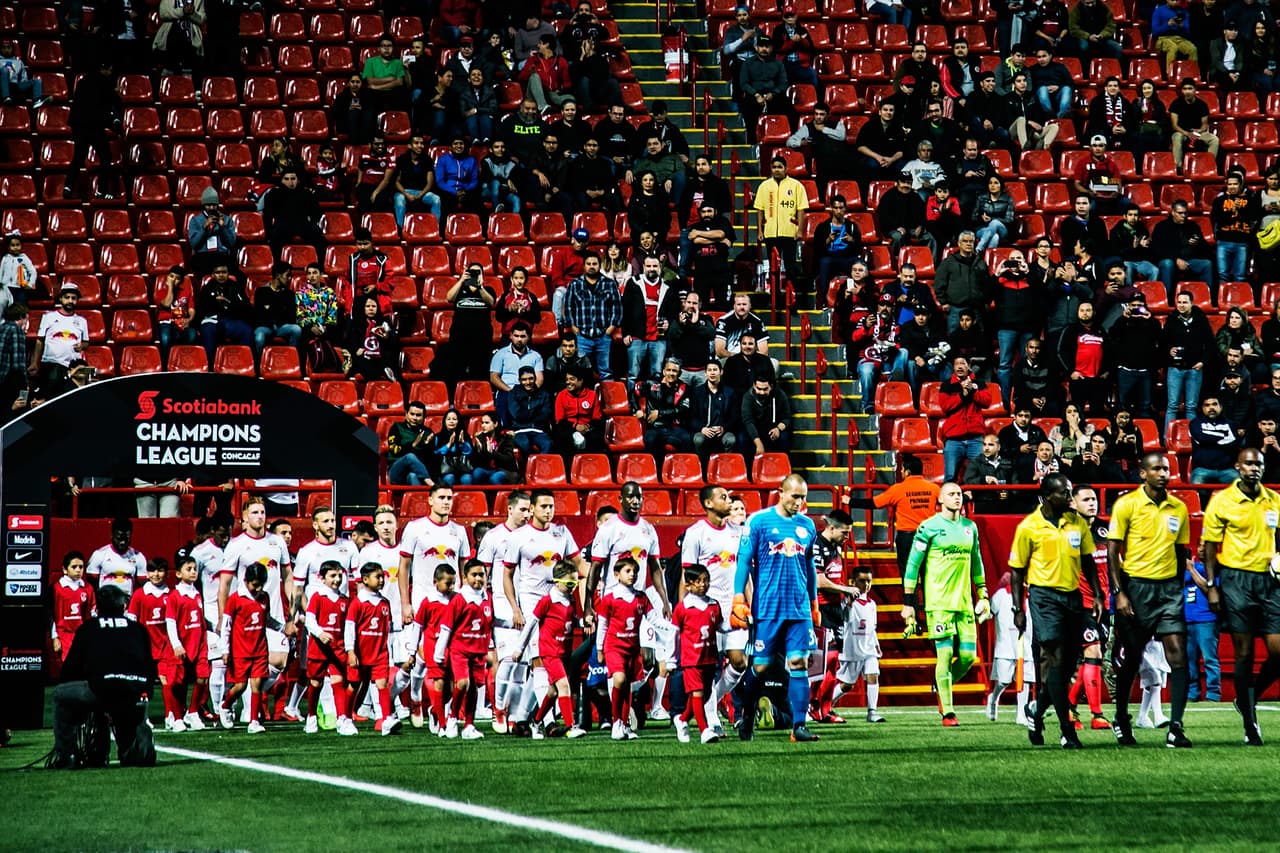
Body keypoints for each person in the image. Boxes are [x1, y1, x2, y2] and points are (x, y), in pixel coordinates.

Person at [1008, 473, 1103, 748]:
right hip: (1044, 597)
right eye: (1065, 493)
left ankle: (1036, 712)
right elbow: (1017, 571)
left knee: (1065, 667)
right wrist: (1018, 607)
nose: (1070, 498)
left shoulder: (1077, 524)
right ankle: (1067, 730)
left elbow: (1087, 561)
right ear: (1049, 496)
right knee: (1057, 658)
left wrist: (1097, 595)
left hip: (1072, 597)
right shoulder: (1029, 527)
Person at [1106, 453, 1194, 748]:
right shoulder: (1126, 504)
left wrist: (1178, 587)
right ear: (1142, 473)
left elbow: (1182, 552)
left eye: (1166, 469)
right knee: (1131, 657)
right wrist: (1119, 592)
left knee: (1178, 654)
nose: (1163, 473)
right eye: (1156, 468)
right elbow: (1112, 551)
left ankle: (1177, 727)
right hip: (1137, 589)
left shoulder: (1179, 508)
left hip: (1168, 591)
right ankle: (1120, 717)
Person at [729, 474, 821, 743]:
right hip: (767, 608)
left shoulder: (808, 526)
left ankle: (799, 726)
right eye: (795, 496)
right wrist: (738, 599)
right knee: (759, 667)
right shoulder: (758, 521)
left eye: (803, 497)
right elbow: (744, 562)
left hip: (798, 608)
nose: (799, 502)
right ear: (780, 492)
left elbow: (810, 567)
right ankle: (747, 717)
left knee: (798, 662)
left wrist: (813, 602)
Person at [1201, 448, 1279, 745]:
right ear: (1237, 467)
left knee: (1278, 651)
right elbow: (1210, 544)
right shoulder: (1222, 500)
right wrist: (1212, 585)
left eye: (1258, 464)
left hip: (1270, 581)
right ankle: (1250, 724)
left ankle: (1249, 698)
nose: (1254, 468)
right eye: (1248, 463)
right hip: (1236, 581)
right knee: (1244, 654)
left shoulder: (1274, 500)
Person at [901, 482, 988, 727]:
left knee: (969, 657)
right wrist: (909, 603)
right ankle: (948, 711)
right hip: (938, 602)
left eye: (959, 494)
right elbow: (912, 565)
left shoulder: (970, 527)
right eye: (951, 494)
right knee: (945, 653)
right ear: (940, 500)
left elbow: (977, 562)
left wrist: (983, 594)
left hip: (964, 603)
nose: (957, 498)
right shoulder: (928, 527)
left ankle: (941, 685)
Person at [502, 490, 585, 734]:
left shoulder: (562, 533)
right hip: (532, 600)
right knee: (539, 659)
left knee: (550, 664)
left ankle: (524, 718)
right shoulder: (519, 537)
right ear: (532, 509)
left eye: (551, 506)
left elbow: (579, 564)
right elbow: (507, 575)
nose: (548, 511)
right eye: (543, 506)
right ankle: (548, 721)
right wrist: (516, 607)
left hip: (560, 598)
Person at [49, 585, 155, 768]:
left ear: (97, 608)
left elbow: (70, 669)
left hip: (102, 690)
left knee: (60, 694)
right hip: (135, 691)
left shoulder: (88, 628)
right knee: (126, 706)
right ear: (123, 607)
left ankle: (68, 755)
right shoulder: (138, 629)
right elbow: (148, 665)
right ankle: (136, 745)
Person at [680, 485, 747, 735]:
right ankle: (711, 718)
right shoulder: (696, 533)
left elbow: (744, 572)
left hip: (734, 606)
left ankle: (713, 701)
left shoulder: (738, 533)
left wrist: (749, 602)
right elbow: (687, 574)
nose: (728, 500)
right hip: (707, 606)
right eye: (723, 497)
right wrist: (684, 608)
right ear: (708, 504)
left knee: (739, 661)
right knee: (710, 667)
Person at [217, 497, 294, 674]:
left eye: (262, 512)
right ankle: (237, 699)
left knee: (279, 662)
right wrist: (223, 616)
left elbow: (288, 577)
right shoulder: (236, 545)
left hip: (274, 613)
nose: (260, 516)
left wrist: (292, 610)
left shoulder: (278, 542)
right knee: (250, 667)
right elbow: (225, 585)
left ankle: (246, 696)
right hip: (246, 616)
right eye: (254, 513)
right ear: (244, 518)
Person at [516, 560, 586, 738]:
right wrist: (520, 648)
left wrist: (583, 622)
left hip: (564, 651)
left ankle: (535, 721)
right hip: (549, 651)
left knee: (553, 691)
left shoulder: (570, 599)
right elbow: (531, 623)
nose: (573, 588)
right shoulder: (547, 600)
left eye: (575, 584)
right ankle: (571, 726)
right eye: (569, 584)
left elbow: (570, 620)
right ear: (556, 581)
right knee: (564, 685)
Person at [435, 560, 492, 740]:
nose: (478, 579)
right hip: (460, 650)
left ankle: (469, 725)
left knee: (474, 688)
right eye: (474, 575)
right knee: (462, 683)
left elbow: (492, 622)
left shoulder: (487, 597)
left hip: (479, 650)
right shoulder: (459, 599)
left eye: (481, 575)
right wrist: (439, 652)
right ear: (465, 577)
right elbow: (447, 627)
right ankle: (452, 718)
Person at [595, 556, 651, 740]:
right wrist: (600, 649)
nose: (632, 574)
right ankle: (616, 722)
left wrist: (673, 628)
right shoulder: (610, 598)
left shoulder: (641, 597)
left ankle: (624, 724)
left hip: (633, 648)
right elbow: (602, 625)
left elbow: (653, 619)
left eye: (635, 571)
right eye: (628, 571)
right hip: (614, 647)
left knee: (627, 686)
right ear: (617, 575)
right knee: (619, 679)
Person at [670, 564, 724, 744]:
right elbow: (674, 635)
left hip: (709, 657)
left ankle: (682, 719)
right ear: (688, 585)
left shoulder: (713, 605)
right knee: (698, 693)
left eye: (706, 580)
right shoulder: (682, 608)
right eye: (698, 581)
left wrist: (739, 624)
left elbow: (721, 626)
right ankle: (704, 730)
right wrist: (671, 659)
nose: (703, 585)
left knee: (705, 694)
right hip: (691, 660)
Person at [344, 562, 401, 736]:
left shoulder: (385, 603)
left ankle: (385, 719)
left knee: (382, 683)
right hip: (361, 653)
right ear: (365, 579)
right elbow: (350, 627)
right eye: (378, 577)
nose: (382, 580)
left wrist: (389, 649)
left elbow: (388, 629)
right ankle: (345, 717)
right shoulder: (358, 602)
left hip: (380, 653)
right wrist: (350, 651)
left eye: (382, 576)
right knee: (354, 685)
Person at [217, 562, 274, 733]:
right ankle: (225, 705)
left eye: (261, 585)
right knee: (240, 686)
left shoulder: (264, 598)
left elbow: (267, 620)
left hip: (260, 649)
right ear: (246, 581)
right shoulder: (235, 599)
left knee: (256, 684)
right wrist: (225, 650)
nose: (258, 589)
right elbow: (226, 626)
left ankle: (254, 721)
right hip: (240, 650)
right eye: (255, 585)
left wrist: (282, 628)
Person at [753, 157, 809, 307]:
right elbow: (759, 210)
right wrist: (760, 230)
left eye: (779, 167)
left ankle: (793, 299)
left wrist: (800, 230)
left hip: (789, 232)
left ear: (786, 169)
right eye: (774, 167)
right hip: (770, 233)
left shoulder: (796, 186)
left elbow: (801, 209)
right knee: (773, 268)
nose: (776, 170)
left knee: (790, 267)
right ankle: (775, 299)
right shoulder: (764, 186)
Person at [63, 60, 122, 200]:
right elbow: (116, 103)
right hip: (94, 126)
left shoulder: (83, 81)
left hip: (78, 125)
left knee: (78, 158)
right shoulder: (105, 83)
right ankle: (102, 191)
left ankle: (68, 187)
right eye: (110, 70)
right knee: (106, 157)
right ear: (106, 70)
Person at [410, 562, 458, 733]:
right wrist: (412, 651)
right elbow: (418, 626)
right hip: (433, 647)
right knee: (439, 683)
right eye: (448, 583)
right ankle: (443, 724)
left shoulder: (457, 599)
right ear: (435, 582)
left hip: (452, 648)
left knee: (451, 689)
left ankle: (435, 711)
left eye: (453, 582)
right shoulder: (428, 601)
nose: (451, 586)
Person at [621, 257, 680, 385]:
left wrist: (668, 322)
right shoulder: (633, 283)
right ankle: (632, 404)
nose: (652, 269)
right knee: (633, 375)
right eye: (649, 266)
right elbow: (624, 310)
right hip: (636, 337)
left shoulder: (667, 286)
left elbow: (675, 311)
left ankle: (654, 404)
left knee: (657, 375)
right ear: (643, 267)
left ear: (659, 267)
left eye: (654, 266)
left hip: (659, 339)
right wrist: (625, 333)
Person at [564, 253, 622, 381]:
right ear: (584, 266)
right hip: (582, 336)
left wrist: (610, 329)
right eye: (589, 264)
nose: (592, 267)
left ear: (599, 266)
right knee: (581, 372)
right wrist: (573, 328)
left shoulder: (609, 284)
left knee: (606, 372)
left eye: (594, 264)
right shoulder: (575, 284)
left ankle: (608, 400)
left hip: (604, 336)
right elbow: (568, 308)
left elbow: (617, 308)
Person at [29, 282, 89, 397]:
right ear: (61, 299)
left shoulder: (82, 321)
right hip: (51, 364)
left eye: (73, 298)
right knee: (50, 396)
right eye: (67, 297)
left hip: (71, 366)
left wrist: (82, 346)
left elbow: (86, 343)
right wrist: (34, 363)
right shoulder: (48, 317)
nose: (70, 301)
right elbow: (39, 341)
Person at [939, 356, 992, 482]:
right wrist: (962, 395)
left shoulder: (979, 383)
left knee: (980, 475)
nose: (959, 366)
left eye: (962, 363)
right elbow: (945, 406)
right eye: (956, 364)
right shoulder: (947, 385)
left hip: (975, 439)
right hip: (954, 439)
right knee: (950, 477)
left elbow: (987, 401)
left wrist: (973, 391)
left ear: (968, 366)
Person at [446, 264, 497, 385]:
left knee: (480, 370)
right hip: (459, 337)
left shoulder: (488, 290)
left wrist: (480, 287)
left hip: (481, 338)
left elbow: (491, 302)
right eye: (472, 272)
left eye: (478, 272)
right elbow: (449, 298)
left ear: (482, 274)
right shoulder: (460, 289)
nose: (474, 274)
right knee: (457, 369)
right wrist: (461, 280)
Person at [263, 170, 325, 263]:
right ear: (282, 180)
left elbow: (317, 212)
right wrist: (268, 232)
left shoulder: (306, 193)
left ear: (297, 180)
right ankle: (278, 267)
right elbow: (267, 215)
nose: (290, 182)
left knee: (320, 238)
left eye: (293, 179)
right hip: (283, 224)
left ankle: (319, 267)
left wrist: (312, 221)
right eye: (286, 179)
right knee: (275, 238)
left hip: (302, 223)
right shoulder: (274, 193)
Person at [634, 357, 693, 455]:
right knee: (651, 439)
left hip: (675, 428)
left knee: (687, 439)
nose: (671, 373)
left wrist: (660, 413)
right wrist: (636, 409)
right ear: (664, 371)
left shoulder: (684, 388)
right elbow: (633, 394)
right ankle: (654, 469)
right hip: (655, 428)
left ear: (679, 374)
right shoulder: (651, 383)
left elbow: (683, 410)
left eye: (674, 371)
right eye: (668, 370)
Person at [1211, 173, 1261, 285]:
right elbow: (1217, 219)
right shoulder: (1219, 200)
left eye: (1235, 184)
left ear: (1241, 184)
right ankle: (1222, 300)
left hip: (1242, 243)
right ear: (1226, 184)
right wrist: (1232, 210)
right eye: (1230, 184)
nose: (1232, 186)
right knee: (1223, 275)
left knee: (1240, 276)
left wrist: (1241, 210)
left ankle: (1239, 300)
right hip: (1224, 242)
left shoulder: (1250, 199)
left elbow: (1253, 218)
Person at [490, 320, 544, 419]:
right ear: (511, 336)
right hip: (507, 391)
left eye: (523, 336)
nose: (519, 339)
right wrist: (510, 391)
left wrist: (527, 391)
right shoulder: (500, 354)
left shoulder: (536, 356)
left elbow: (539, 379)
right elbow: (494, 377)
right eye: (516, 336)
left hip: (528, 391)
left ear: (528, 337)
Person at [552, 365, 604, 460]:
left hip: (587, 428)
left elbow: (597, 418)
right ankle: (568, 471)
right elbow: (559, 419)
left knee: (597, 438)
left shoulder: (592, 395)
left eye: (572, 379)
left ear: (581, 381)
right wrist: (576, 426)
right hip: (569, 427)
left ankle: (594, 469)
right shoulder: (561, 395)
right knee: (562, 438)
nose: (568, 382)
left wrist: (586, 427)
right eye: (567, 379)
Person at [86, 518, 147, 597]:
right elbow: (91, 584)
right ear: (112, 535)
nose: (122, 542)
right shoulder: (99, 554)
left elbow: (143, 586)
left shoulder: (138, 556)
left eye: (126, 539)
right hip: (105, 602)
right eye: (119, 539)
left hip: (127, 602)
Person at [52, 552, 96, 663]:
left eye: (81, 567)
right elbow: (51, 614)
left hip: (82, 634)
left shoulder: (88, 588)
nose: (78, 570)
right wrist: (54, 637)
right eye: (74, 567)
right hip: (64, 635)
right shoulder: (57, 589)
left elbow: (92, 612)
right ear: (65, 569)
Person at [1168, 78, 1220, 170]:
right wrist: (1187, 134)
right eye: (1185, 89)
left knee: (1214, 139)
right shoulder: (1176, 104)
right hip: (1182, 132)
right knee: (1177, 137)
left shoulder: (1202, 104)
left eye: (1190, 88)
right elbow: (1174, 126)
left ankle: (1209, 166)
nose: (1187, 91)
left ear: (1195, 90)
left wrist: (1198, 131)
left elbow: (1205, 124)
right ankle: (1178, 167)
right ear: (1182, 90)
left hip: (1197, 132)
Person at [1189, 395, 1242, 484]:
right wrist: (1223, 435)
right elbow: (1202, 439)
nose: (1211, 408)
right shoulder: (1195, 423)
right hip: (1202, 470)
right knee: (1196, 492)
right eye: (1207, 405)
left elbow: (1233, 442)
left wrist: (1209, 437)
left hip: (1227, 470)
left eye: (1214, 404)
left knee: (1241, 486)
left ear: (1220, 407)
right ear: (1202, 408)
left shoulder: (1231, 424)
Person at [252, 261, 302, 356]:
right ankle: (259, 365)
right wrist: (279, 309)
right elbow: (259, 314)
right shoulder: (261, 292)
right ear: (278, 276)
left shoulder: (289, 294)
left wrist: (270, 308)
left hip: (282, 327)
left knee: (296, 329)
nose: (290, 278)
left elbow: (291, 315)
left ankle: (291, 359)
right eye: (287, 275)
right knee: (259, 336)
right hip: (265, 326)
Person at [741, 374, 792, 462]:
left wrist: (778, 429)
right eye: (759, 389)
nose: (762, 392)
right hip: (755, 430)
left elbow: (786, 418)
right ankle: (748, 472)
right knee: (742, 439)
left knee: (784, 438)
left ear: (771, 386)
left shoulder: (780, 395)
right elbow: (748, 421)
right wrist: (758, 442)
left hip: (772, 429)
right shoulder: (748, 397)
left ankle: (782, 471)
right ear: (754, 385)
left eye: (765, 389)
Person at [965, 434, 1019, 513]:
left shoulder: (1009, 463)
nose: (986, 448)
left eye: (990, 445)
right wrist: (984, 479)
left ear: (998, 447)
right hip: (983, 505)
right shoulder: (975, 462)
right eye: (984, 444)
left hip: (1006, 506)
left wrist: (1009, 494)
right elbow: (968, 482)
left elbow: (1017, 486)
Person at [506, 367, 553, 456]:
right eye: (524, 379)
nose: (528, 382)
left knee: (547, 444)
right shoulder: (513, 394)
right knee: (524, 444)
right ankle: (530, 467)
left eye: (530, 378)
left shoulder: (544, 394)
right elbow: (517, 415)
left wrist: (527, 413)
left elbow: (545, 415)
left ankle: (540, 467)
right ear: (519, 380)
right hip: (519, 430)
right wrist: (536, 410)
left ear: (535, 378)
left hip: (539, 430)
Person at [387, 402, 433, 487]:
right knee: (410, 457)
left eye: (418, 415)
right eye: (412, 414)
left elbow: (429, 458)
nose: (415, 418)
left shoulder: (427, 433)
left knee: (413, 476)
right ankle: (431, 483)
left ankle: (419, 499)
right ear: (406, 414)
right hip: (396, 470)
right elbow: (394, 450)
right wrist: (413, 445)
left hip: (416, 472)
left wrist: (427, 445)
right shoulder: (396, 427)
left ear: (424, 417)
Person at [471, 413, 520, 485]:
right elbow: (476, 463)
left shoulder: (506, 437)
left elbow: (508, 459)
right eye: (482, 423)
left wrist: (493, 453)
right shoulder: (480, 438)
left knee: (495, 478)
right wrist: (479, 451)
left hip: (505, 470)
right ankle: (480, 495)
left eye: (486, 423)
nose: (483, 425)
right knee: (477, 472)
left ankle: (501, 496)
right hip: (488, 469)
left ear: (495, 424)